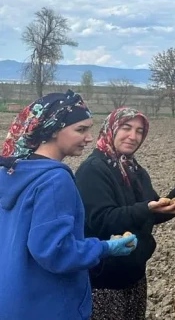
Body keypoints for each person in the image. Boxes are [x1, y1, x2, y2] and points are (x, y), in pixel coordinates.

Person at [0, 91, 137, 320]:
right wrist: (105, 248)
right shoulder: (54, 179)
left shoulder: (12, 172)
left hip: (14, 300)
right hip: (49, 306)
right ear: (53, 129)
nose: (89, 138)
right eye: (80, 130)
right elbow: (54, 251)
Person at [74, 107, 175, 320]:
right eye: (126, 128)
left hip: (135, 275)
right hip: (105, 281)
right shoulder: (93, 170)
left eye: (139, 131)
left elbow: (152, 211)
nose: (133, 136)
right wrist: (146, 208)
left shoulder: (133, 169)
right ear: (111, 129)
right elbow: (102, 220)